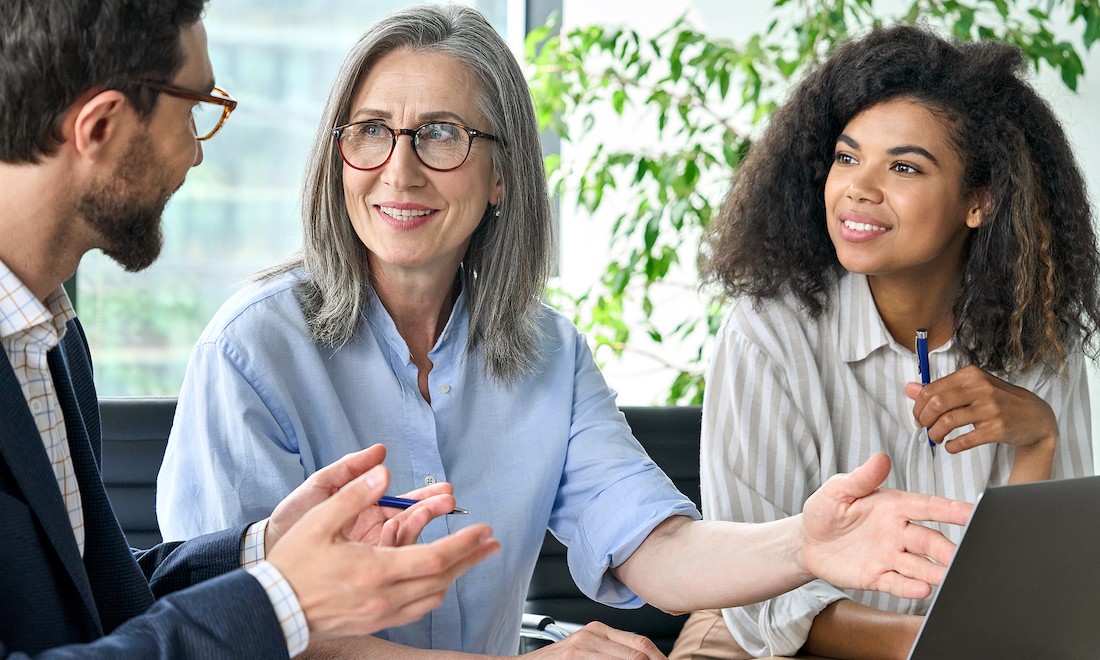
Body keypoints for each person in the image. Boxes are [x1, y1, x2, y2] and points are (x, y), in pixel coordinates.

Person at [155, 6, 973, 658]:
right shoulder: (250, 350)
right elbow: (240, 629)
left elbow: (656, 549)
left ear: (503, 174)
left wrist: (807, 544)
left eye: (441, 135)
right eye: (370, 131)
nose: (398, 171)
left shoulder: (547, 353)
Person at [0, 1, 504, 657]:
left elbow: (97, 607)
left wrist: (266, 547)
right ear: (100, 126)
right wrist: (284, 601)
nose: (194, 155)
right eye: (193, 112)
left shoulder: (50, 341)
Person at [671, 24, 1099, 660]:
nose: (858, 188)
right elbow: (759, 602)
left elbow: (1031, 586)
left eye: (903, 166)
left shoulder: (1034, 329)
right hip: (765, 639)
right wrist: (937, 645)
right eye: (847, 157)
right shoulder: (769, 330)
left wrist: (1036, 440)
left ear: (979, 200)